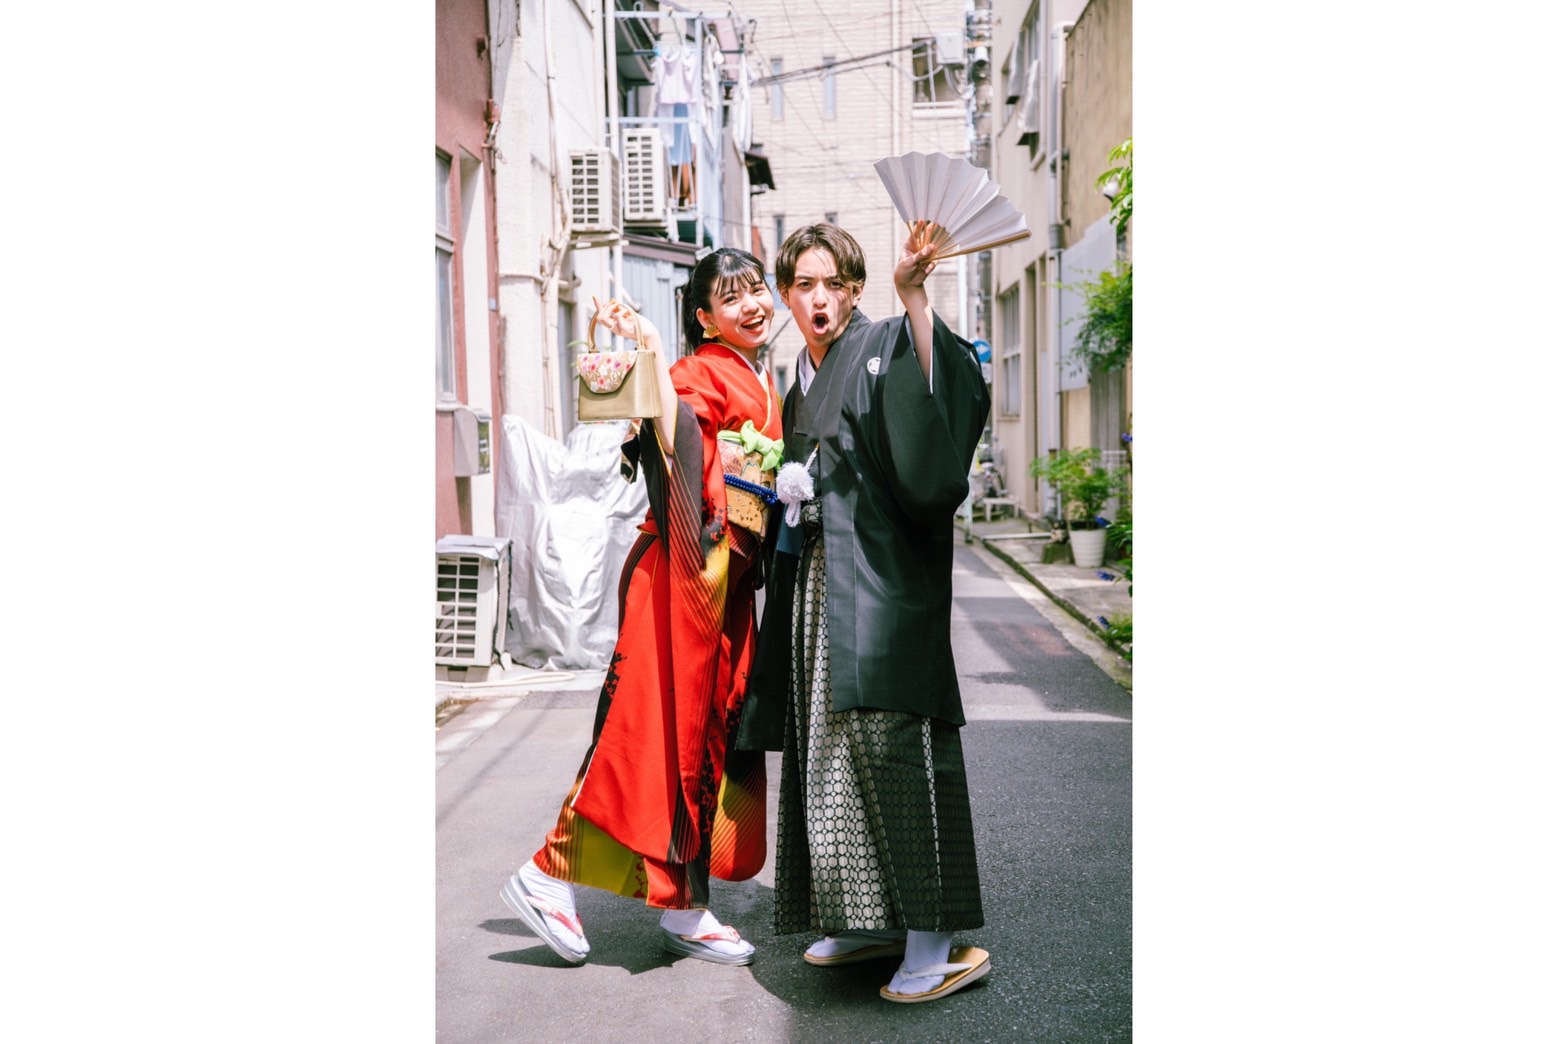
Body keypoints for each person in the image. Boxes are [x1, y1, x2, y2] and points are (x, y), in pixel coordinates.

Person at [501, 247, 786, 968]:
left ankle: (684, 905)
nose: (752, 305)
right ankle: (547, 872)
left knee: (703, 739)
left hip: (723, 580)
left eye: (757, 289)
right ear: (705, 319)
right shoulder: (695, 371)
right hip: (687, 572)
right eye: (732, 298)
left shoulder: (759, 375)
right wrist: (653, 347)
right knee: (649, 735)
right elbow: (676, 439)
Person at [744, 222, 992, 1003]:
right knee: (830, 751)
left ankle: (935, 941)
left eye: (833, 284)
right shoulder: (798, 381)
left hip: (884, 580)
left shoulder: (885, 343)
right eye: (803, 286)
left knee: (893, 744)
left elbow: (944, 400)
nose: (818, 299)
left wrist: (913, 294)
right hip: (822, 584)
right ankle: (866, 919)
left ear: (855, 291)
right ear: (788, 296)